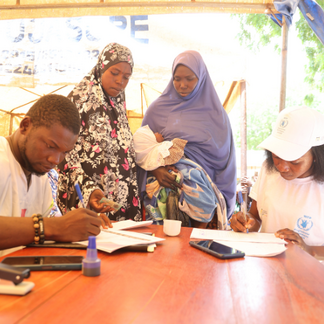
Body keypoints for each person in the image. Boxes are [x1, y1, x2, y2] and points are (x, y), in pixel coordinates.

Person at [0, 94, 111, 256]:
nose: (55, 160)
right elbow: (49, 227)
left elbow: (49, 225)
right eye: (50, 146)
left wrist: (82, 224)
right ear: (25, 126)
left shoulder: (42, 176)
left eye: (64, 152)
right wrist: (54, 227)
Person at [137, 50, 237, 229]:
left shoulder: (216, 115)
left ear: (201, 77)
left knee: (197, 248)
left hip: (206, 203)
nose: (182, 85)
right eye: (177, 78)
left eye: (189, 78)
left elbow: (226, 164)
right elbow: (140, 150)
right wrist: (156, 171)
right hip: (164, 199)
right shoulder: (157, 110)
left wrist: (219, 201)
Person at [57, 43, 141, 222]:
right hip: (87, 200)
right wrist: (88, 190)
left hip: (119, 204)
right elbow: (63, 154)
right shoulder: (77, 102)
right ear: (101, 68)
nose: (120, 81)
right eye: (115, 73)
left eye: (126, 77)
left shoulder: (118, 107)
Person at [230, 106, 324, 258]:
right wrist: (245, 222)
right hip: (268, 267)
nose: (282, 167)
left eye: (294, 161)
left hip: (313, 275)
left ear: (317, 156)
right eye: (277, 156)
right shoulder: (268, 169)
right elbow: (256, 217)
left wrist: (309, 250)